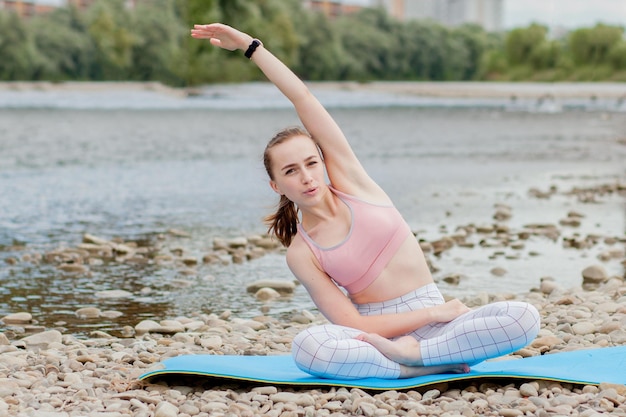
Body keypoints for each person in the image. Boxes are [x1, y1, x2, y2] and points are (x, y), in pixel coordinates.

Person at [190, 23, 541, 380]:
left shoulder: (354, 184)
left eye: (311, 163)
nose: (307, 176)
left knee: (524, 317)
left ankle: (416, 357)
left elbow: (303, 99)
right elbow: (351, 322)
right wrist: (430, 316)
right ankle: (412, 364)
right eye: (291, 171)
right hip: (380, 336)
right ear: (276, 185)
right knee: (309, 348)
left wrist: (251, 47)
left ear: (324, 162)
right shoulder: (301, 252)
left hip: (440, 323)